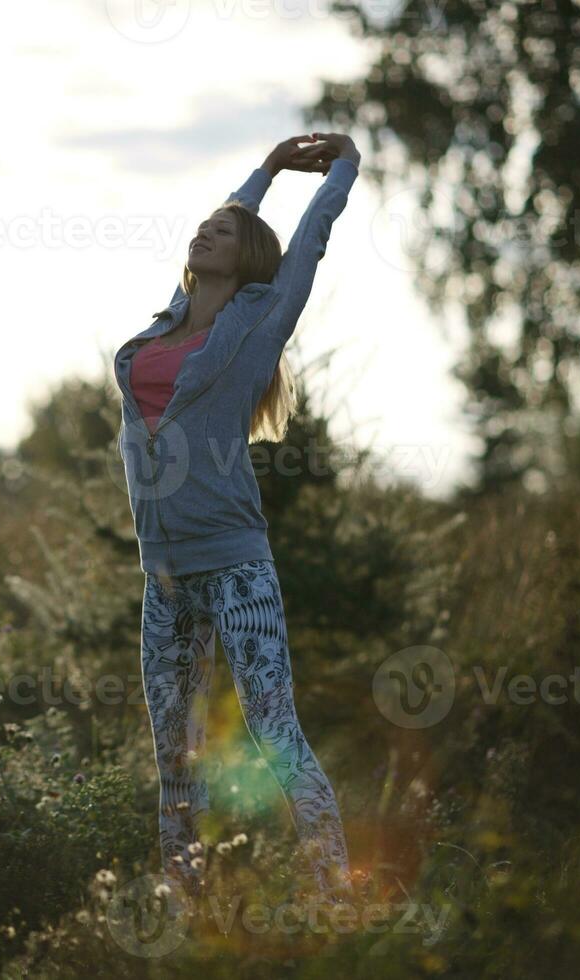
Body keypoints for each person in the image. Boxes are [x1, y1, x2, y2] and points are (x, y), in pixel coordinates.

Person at [112, 133, 361, 901]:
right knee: (175, 754)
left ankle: (336, 891)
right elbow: (232, 223)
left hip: (234, 563)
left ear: (244, 258)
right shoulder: (166, 323)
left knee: (272, 731)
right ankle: (188, 908)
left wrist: (342, 164)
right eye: (203, 227)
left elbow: (306, 244)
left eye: (220, 232)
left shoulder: (258, 320)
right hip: (164, 574)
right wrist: (265, 171)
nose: (204, 232)